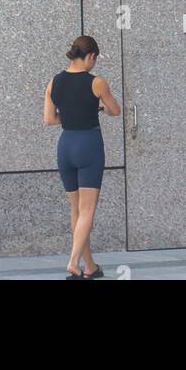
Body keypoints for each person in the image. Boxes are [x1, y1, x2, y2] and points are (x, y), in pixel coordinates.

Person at [44, 34, 121, 279]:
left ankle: (89, 267)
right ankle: (73, 262)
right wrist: (98, 107)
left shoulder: (53, 82)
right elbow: (115, 111)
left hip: (65, 145)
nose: (94, 64)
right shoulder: (97, 82)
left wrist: (71, 116)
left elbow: (49, 119)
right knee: (87, 211)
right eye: (94, 60)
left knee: (76, 210)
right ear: (90, 56)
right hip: (89, 145)